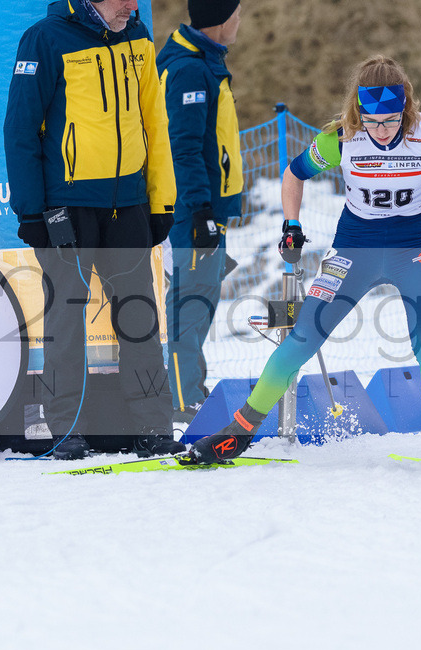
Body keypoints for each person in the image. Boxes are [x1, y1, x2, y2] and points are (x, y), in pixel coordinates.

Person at [184, 55, 421, 471]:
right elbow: (294, 175)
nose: (381, 131)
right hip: (355, 246)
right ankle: (237, 434)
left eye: (391, 121)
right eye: (372, 121)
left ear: (405, 109)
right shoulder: (342, 137)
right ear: (358, 111)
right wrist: (291, 224)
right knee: (303, 336)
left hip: (417, 246)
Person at [3, 0, 185, 460]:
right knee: (66, 321)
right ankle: (66, 428)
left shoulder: (137, 36)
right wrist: (31, 213)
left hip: (129, 205)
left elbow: (154, 121)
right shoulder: (46, 39)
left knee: (140, 319)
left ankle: (153, 426)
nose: (133, 6)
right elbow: (20, 129)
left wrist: (161, 200)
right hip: (67, 208)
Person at [157, 0, 245, 423]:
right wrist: (199, 211)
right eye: (237, 14)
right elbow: (184, 147)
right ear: (222, 20)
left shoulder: (202, 60)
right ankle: (182, 397)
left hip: (205, 206)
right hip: (193, 210)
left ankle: (190, 387)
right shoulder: (189, 69)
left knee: (200, 300)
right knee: (189, 305)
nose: (240, 21)